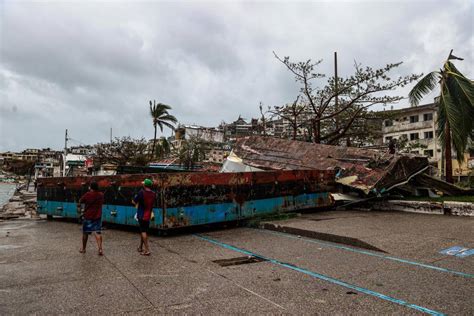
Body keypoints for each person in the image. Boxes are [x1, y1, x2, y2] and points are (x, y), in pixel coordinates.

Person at [78, 181, 104, 255]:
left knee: (85, 233)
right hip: (97, 216)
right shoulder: (101, 195)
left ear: (90, 187)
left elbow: (80, 201)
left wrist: (80, 208)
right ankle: (100, 249)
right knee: (98, 232)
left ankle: (83, 249)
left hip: (88, 216)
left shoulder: (87, 194)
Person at [132, 178, 156, 256]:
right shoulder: (153, 193)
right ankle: (140, 247)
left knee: (143, 231)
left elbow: (134, 201)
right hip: (148, 214)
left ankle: (147, 250)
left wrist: (135, 200)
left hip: (141, 215)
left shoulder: (141, 192)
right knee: (144, 231)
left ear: (144, 185)